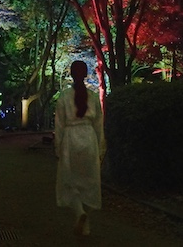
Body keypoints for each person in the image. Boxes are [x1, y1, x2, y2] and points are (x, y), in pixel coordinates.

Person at [54, 59, 106, 237]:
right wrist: (101, 147)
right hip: (89, 138)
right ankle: (85, 224)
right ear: (85, 74)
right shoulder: (92, 97)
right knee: (90, 183)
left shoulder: (64, 96)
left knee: (70, 182)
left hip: (70, 139)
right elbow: (99, 124)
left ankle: (80, 214)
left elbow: (59, 125)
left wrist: (58, 147)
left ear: (70, 74)